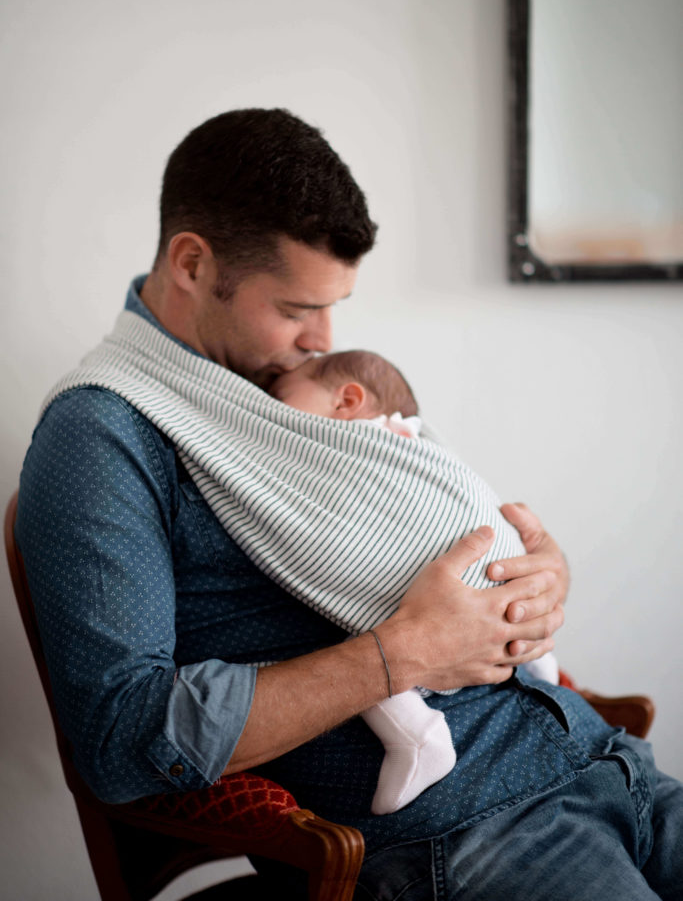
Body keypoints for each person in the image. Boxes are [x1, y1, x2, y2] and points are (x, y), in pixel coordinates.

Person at [15, 108, 682, 900]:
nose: (321, 339)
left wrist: (529, 579)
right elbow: (122, 738)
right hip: (467, 837)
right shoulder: (102, 435)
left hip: (604, 763)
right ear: (191, 263)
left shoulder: (296, 398)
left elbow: (422, 529)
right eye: (296, 310)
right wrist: (404, 654)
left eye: (332, 307)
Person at [268, 348, 559, 814]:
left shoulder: (342, 445)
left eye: (280, 396)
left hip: (444, 582)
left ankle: (419, 737)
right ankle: (542, 664)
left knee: (366, 632)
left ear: (346, 402)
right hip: (502, 570)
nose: (268, 409)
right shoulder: (413, 435)